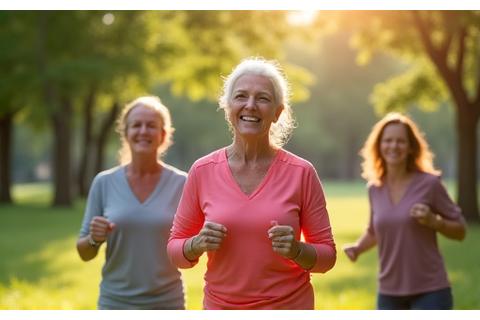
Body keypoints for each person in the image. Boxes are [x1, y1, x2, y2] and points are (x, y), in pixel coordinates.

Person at [167, 57, 336, 310]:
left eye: (263, 98)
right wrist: (196, 244)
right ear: (228, 107)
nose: (251, 105)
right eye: (241, 96)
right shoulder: (202, 171)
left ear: (278, 112)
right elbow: (174, 250)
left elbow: (328, 256)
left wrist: (297, 250)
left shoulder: (301, 172)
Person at [343, 112, 467, 310]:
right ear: (379, 146)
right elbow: (374, 231)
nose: (394, 146)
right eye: (388, 140)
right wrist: (357, 248)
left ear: (411, 147)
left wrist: (434, 222)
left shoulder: (429, 184)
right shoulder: (375, 189)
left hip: (431, 291)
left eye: (401, 141)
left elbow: (461, 230)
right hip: (388, 293)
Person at [76, 96, 187, 309]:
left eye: (151, 126)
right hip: (115, 303)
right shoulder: (104, 182)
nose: (143, 131)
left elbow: (192, 248)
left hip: (167, 303)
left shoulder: (182, 183)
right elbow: (84, 253)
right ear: (125, 133)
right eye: (136, 125)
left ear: (163, 134)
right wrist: (94, 239)